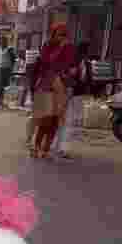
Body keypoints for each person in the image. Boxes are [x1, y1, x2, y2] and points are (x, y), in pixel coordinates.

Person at [30, 24, 76, 159]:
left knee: (56, 122)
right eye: (59, 34)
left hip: (61, 87)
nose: (61, 37)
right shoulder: (47, 46)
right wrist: (60, 48)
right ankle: (36, 146)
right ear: (53, 34)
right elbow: (48, 62)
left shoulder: (70, 48)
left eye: (64, 35)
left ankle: (45, 149)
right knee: (45, 121)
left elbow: (70, 65)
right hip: (45, 86)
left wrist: (72, 71)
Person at [52, 41, 94, 159]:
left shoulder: (82, 62)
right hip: (68, 94)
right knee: (66, 121)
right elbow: (69, 78)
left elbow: (85, 78)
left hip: (72, 94)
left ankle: (58, 146)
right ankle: (60, 148)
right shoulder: (74, 62)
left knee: (66, 121)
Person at [0, 38, 16, 103]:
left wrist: (12, 68)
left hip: (6, 69)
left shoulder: (9, 49)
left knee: (5, 84)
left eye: (1, 41)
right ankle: (0, 98)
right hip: (0, 68)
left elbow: (13, 59)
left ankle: (4, 99)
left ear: (5, 42)